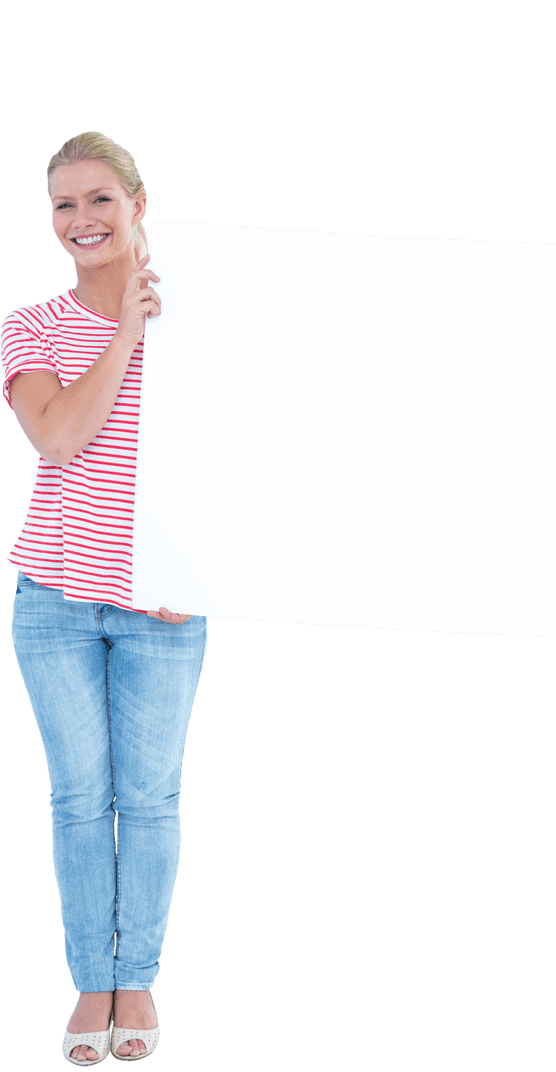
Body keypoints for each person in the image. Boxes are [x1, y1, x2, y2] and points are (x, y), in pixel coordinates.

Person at [1, 132, 207, 1065]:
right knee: (81, 797)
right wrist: (125, 330)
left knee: (151, 796)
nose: (81, 221)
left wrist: (200, 564)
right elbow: (56, 437)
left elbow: (244, 454)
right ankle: (94, 984)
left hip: (162, 602)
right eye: (62, 207)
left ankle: (140, 980)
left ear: (139, 203)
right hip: (54, 599)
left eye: (98, 201)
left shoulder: (206, 311)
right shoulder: (30, 325)